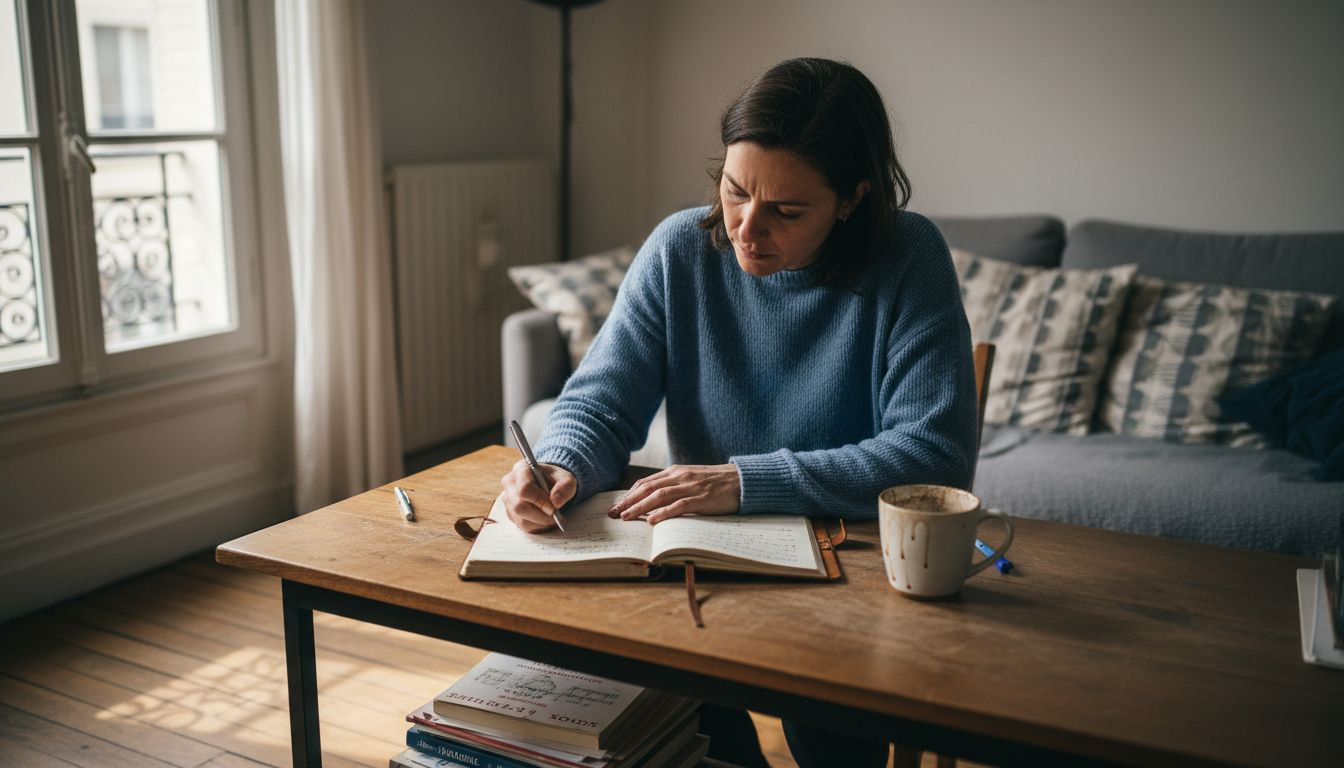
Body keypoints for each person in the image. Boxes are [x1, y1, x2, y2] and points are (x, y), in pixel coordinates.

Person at [498, 57, 977, 768]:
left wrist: (745, 482)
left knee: (833, 739)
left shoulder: (908, 256)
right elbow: (600, 397)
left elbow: (934, 454)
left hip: (850, 570)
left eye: (787, 211)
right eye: (734, 191)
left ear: (851, 199)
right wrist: (560, 462)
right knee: (671, 713)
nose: (747, 230)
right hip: (706, 562)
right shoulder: (680, 250)